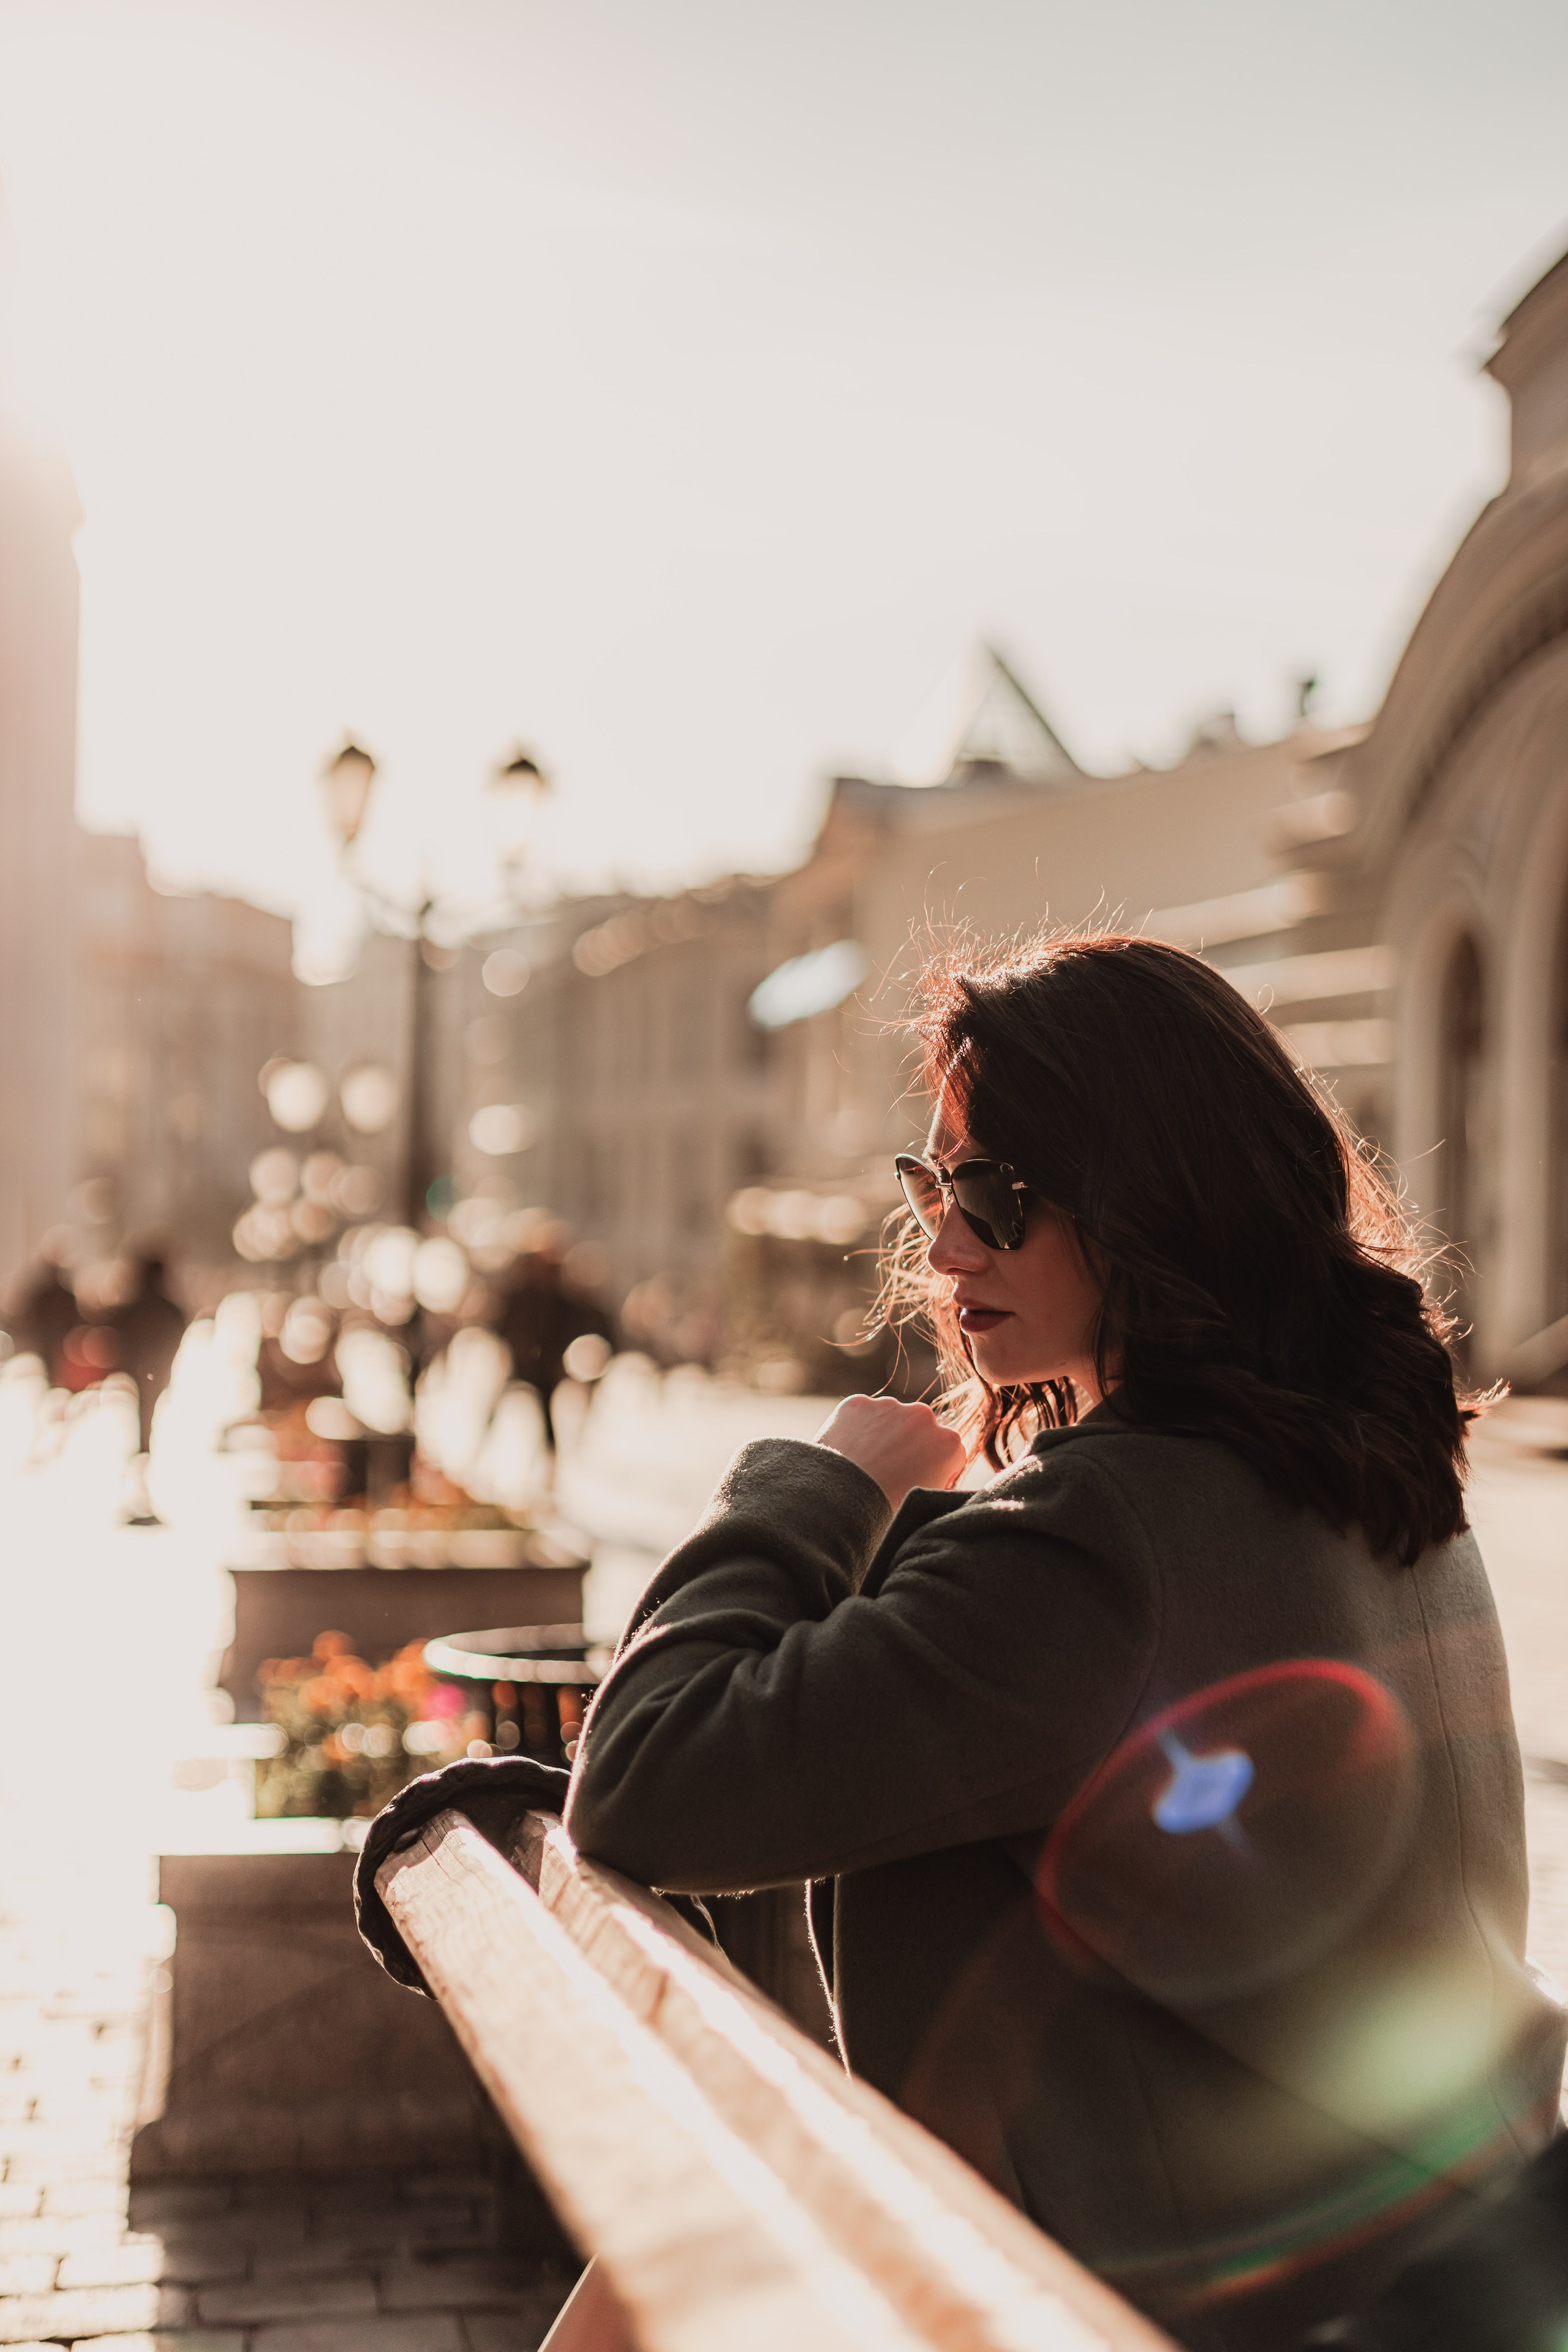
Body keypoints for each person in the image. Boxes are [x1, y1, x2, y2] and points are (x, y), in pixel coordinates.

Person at [356, 932, 1565, 2351]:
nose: (939, 1243)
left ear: (1150, 1200)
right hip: (1432, 2265)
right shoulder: (1376, 1468)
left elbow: (651, 1778)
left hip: (1153, 2312)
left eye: (992, 1194)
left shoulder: (1100, 1535)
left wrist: (825, 1484)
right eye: (930, 1183)